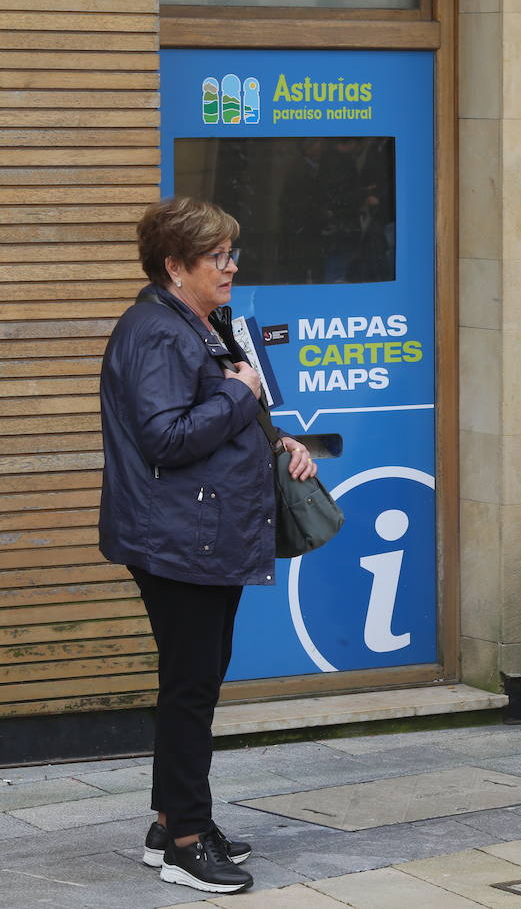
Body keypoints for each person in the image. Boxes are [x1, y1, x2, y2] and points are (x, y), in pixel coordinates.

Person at [99, 196, 317, 894]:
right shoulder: (157, 333)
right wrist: (239, 392)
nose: (231, 266)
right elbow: (166, 435)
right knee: (191, 688)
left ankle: (173, 818)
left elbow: (227, 411)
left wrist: (281, 440)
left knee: (193, 681)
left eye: (232, 253)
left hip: (201, 534)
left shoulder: (193, 324)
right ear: (175, 265)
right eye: (217, 256)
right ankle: (186, 843)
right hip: (177, 539)